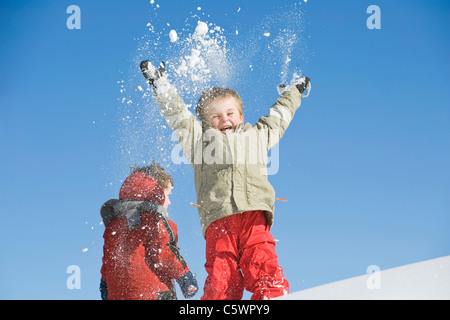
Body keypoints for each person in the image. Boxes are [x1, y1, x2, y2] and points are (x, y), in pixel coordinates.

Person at [140, 60, 310, 300]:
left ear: (240, 116)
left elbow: (279, 116)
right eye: (215, 117)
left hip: (254, 216)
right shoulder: (199, 143)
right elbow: (179, 117)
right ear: (206, 123)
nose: (224, 120)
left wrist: (293, 92)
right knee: (222, 278)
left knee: (263, 263)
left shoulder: (257, 136)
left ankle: (271, 298)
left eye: (230, 113)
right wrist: (161, 86)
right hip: (219, 221)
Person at [99, 161, 198, 300]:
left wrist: (104, 284)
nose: (168, 202)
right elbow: (165, 252)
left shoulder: (114, 225)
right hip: (154, 294)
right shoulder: (156, 221)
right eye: (168, 195)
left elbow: (109, 259)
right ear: (155, 192)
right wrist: (184, 275)